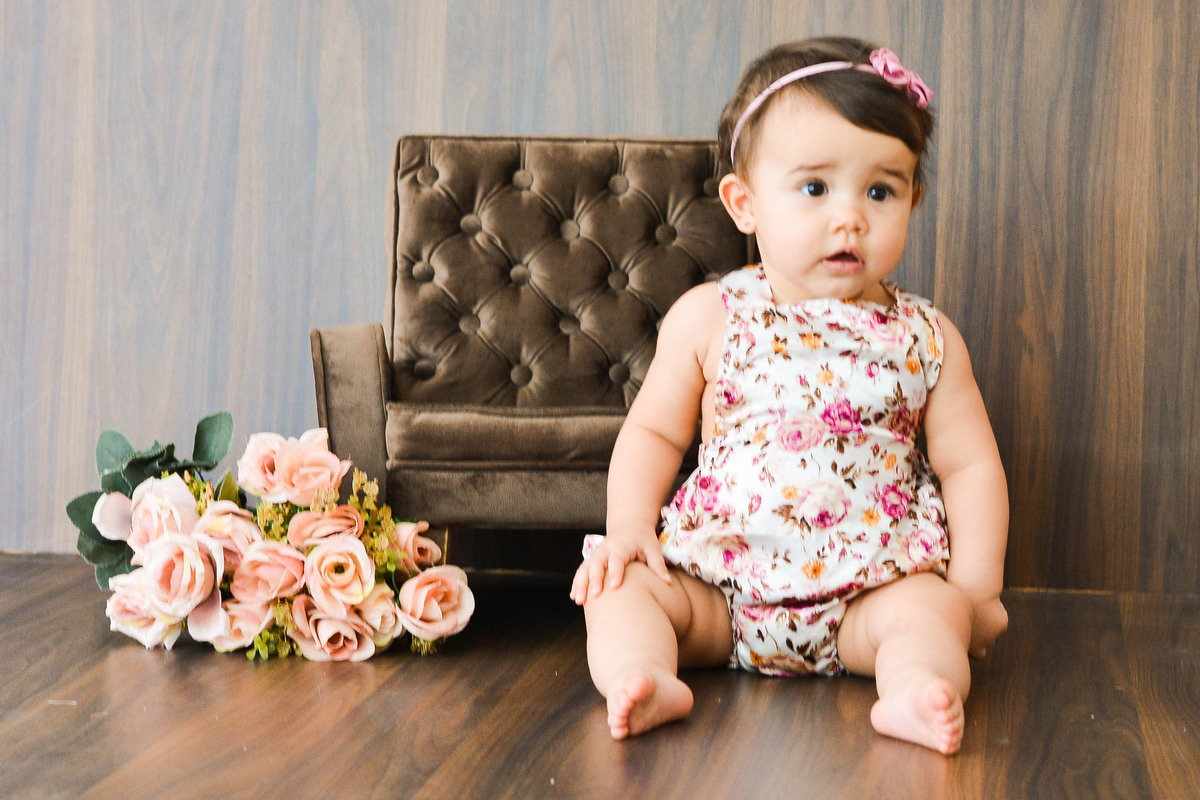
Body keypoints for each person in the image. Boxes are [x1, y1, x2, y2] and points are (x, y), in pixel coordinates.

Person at [569, 36, 1008, 755]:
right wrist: (628, 528)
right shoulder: (712, 315)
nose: (850, 218)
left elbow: (970, 466)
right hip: (716, 587)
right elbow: (653, 434)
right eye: (815, 188)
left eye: (881, 190)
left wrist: (978, 587)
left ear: (913, 199)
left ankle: (916, 692)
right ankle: (640, 674)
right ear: (744, 203)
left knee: (933, 614)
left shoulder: (926, 335)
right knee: (616, 590)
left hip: (870, 594)